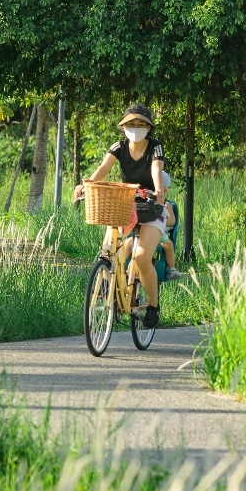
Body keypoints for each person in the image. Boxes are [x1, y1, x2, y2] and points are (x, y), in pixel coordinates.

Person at [74, 103, 167, 328]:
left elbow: (156, 170)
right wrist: (86, 185)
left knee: (142, 257)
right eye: (131, 124)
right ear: (123, 127)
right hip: (125, 203)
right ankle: (108, 281)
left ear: (149, 128)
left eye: (141, 124)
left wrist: (158, 191)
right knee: (108, 250)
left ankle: (153, 307)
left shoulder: (155, 147)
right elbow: (103, 168)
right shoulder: (119, 146)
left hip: (151, 205)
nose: (136, 128)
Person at [158, 171, 183, 280]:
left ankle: (171, 268)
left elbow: (172, 221)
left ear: (165, 190)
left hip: (161, 233)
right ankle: (123, 264)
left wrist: (159, 223)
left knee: (168, 244)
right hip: (145, 233)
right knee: (129, 242)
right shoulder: (147, 203)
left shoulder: (167, 205)